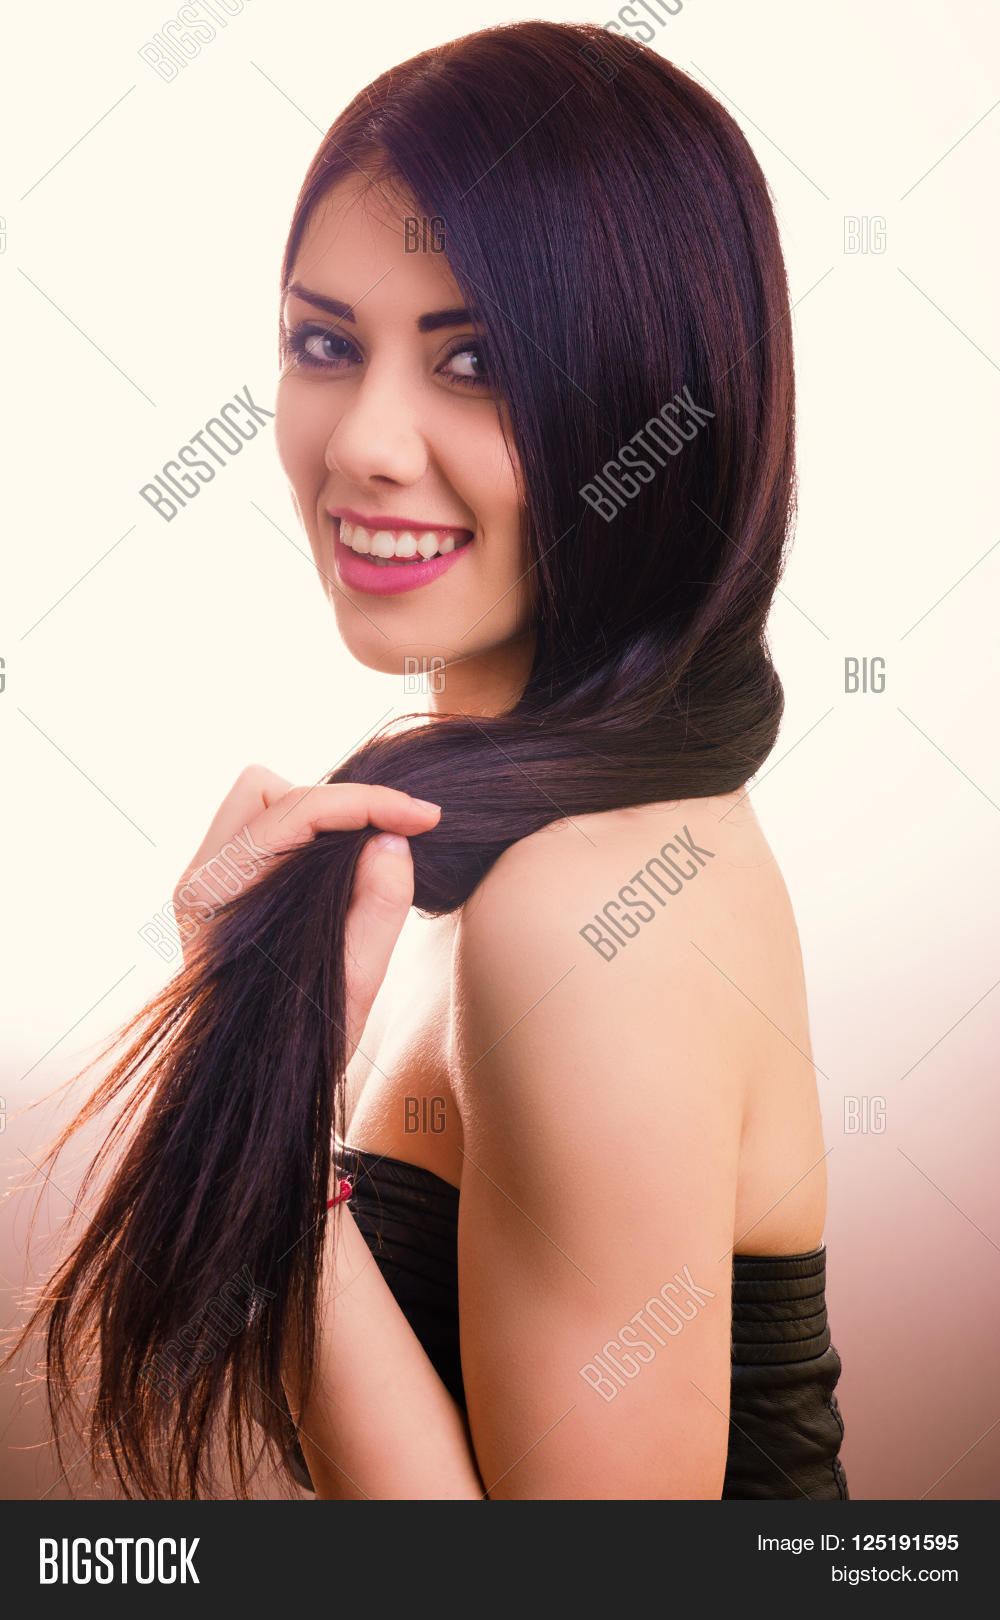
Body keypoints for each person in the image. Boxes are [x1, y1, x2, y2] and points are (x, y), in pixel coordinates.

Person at [8, 19, 847, 1500]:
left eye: (476, 361)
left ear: (656, 411)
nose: (365, 444)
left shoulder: (588, 915)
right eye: (326, 344)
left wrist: (274, 1155)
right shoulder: (490, 850)